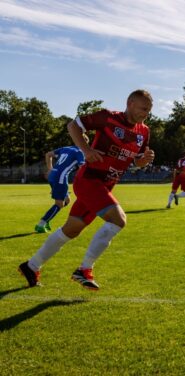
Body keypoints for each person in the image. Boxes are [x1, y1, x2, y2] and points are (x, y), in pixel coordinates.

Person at [18, 90, 155, 290]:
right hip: (89, 180)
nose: (146, 114)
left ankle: (31, 266)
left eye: (149, 110)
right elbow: (73, 125)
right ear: (130, 103)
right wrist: (86, 150)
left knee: (70, 231)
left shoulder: (144, 131)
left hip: (106, 185)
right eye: (143, 108)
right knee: (118, 220)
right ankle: (84, 270)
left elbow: (135, 160)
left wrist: (142, 162)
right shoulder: (108, 117)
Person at [34, 136, 89, 233]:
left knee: (67, 200)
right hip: (60, 178)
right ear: (85, 143)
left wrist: (50, 169)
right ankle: (41, 223)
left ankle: (47, 220)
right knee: (59, 204)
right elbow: (82, 168)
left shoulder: (65, 148)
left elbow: (48, 155)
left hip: (53, 175)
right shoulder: (80, 152)